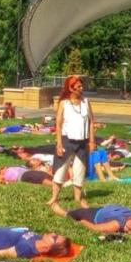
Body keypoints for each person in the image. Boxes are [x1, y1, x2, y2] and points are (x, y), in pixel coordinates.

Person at [48, 75, 94, 209]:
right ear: (71, 88)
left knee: (79, 170)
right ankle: (54, 197)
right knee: (60, 170)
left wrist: (91, 141)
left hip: (82, 142)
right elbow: (58, 125)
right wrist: (59, 144)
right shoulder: (64, 104)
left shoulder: (86, 102)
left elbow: (91, 122)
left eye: (81, 86)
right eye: (78, 86)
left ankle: (77, 198)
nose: (81, 88)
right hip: (67, 140)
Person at [53, 203, 131, 234]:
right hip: (103, 211)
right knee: (89, 208)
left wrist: (82, 221)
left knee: (77, 213)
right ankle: (87, 207)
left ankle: (64, 213)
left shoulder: (117, 224)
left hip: (92, 216)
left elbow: (95, 228)